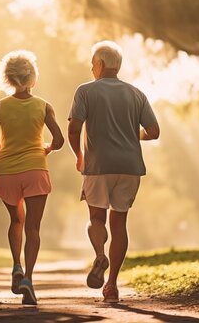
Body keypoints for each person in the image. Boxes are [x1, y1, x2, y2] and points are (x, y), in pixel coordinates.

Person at [68, 40, 159, 303]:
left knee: (97, 219)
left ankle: (99, 254)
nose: (91, 68)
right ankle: (112, 286)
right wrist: (132, 135)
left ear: (100, 64)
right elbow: (154, 132)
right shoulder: (136, 93)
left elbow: (74, 129)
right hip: (130, 168)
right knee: (120, 224)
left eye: (92, 64)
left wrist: (79, 156)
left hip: (98, 167)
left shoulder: (85, 91)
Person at [0, 50, 64, 305]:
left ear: (9, 79)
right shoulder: (44, 106)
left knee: (16, 222)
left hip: (7, 171)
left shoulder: (0, 106)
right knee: (33, 228)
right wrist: (46, 148)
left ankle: (16, 265)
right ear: (33, 78)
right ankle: (28, 280)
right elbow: (59, 140)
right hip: (35, 169)